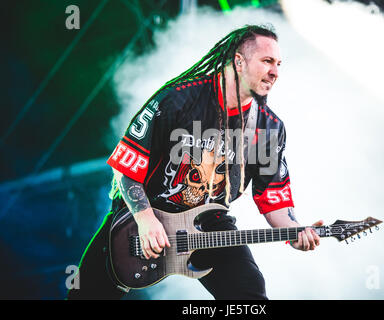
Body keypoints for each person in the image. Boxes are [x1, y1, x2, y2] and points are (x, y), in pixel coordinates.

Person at [67, 24, 322, 300]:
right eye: (267, 61)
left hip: (209, 223)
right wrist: (145, 219)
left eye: (279, 64)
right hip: (142, 217)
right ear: (238, 61)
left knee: (249, 295)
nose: (275, 72)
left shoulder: (267, 128)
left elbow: (275, 201)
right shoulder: (178, 99)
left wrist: (295, 233)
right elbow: (126, 168)